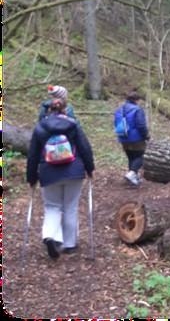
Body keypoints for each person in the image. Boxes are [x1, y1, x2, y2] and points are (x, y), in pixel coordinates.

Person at [26, 98, 95, 259]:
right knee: (70, 207)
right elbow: (85, 148)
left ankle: (50, 235)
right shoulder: (73, 125)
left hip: (49, 173)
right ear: (65, 109)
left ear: (48, 110)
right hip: (74, 171)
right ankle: (70, 244)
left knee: (52, 206)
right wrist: (89, 168)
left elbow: (33, 155)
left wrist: (31, 177)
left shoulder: (40, 127)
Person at [114, 91, 149, 187]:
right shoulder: (137, 109)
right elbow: (141, 125)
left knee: (131, 157)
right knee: (141, 156)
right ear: (136, 100)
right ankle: (132, 173)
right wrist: (146, 135)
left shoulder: (119, 109)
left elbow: (116, 123)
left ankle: (132, 179)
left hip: (123, 137)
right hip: (136, 138)